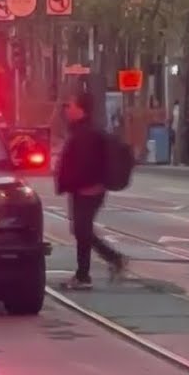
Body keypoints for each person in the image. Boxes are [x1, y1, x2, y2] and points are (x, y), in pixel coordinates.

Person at [56, 91, 128, 290]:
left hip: (87, 190)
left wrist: (88, 184)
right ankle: (112, 260)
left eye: (70, 106)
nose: (66, 110)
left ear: (80, 109)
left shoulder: (87, 133)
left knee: (82, 230)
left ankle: (85, 275)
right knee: (81, 230)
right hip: (81, 189)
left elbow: (87, 164)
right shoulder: (80, 130)